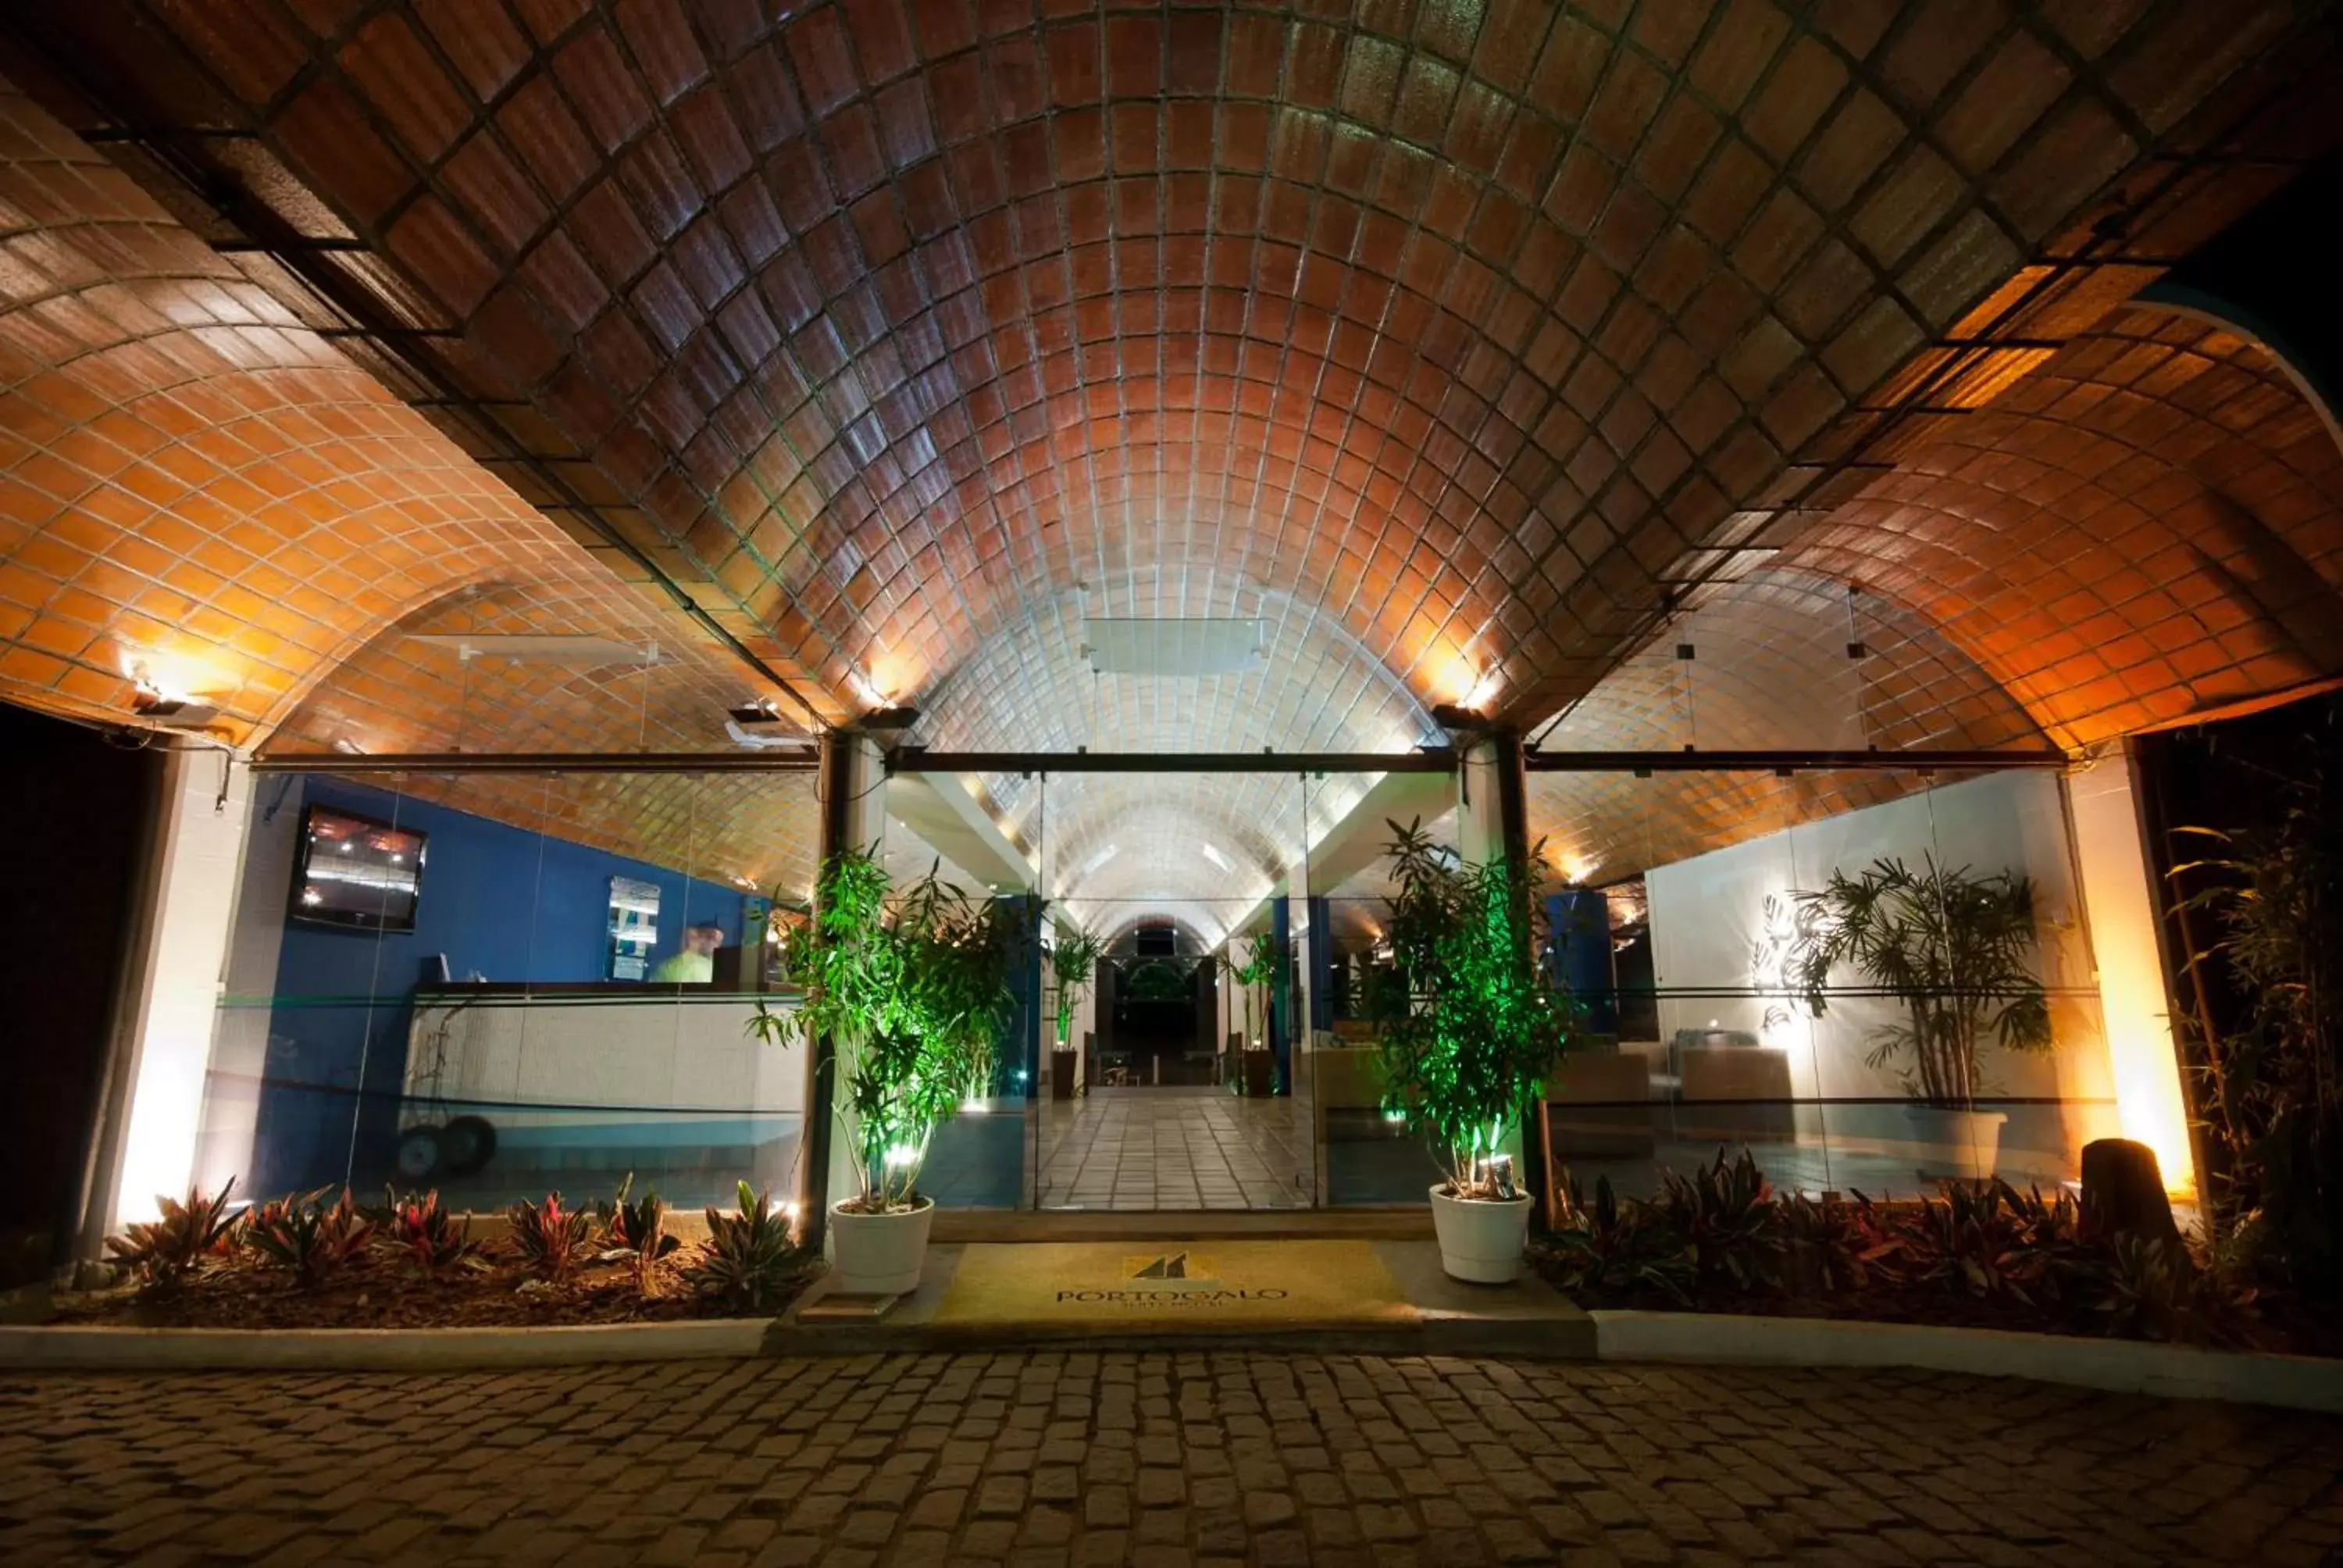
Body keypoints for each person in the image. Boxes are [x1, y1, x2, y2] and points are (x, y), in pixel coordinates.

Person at [650, 923, 722, 983]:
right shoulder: (697, 967)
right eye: (712, 938)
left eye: (719, 942)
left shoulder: (665, 967)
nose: (716, 945)